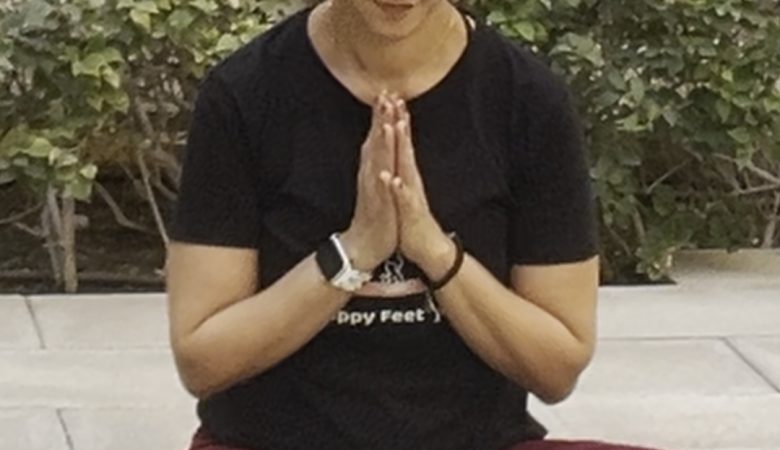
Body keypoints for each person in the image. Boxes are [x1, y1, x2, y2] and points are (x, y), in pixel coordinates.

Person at [164, 1, 656, 449]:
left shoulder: (528, 100)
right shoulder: (246, 92)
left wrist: (433, 250)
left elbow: (557, 366)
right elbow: (203, 359)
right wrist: (354, 253)